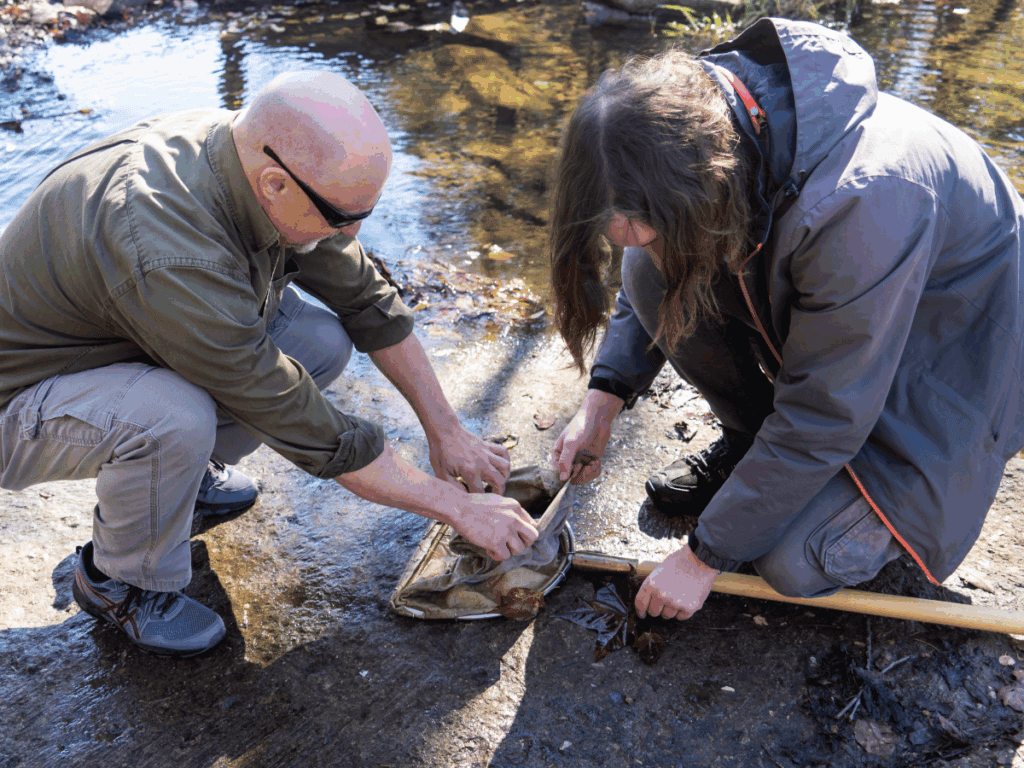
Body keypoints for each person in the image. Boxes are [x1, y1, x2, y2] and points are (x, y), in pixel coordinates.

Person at [0, 71, 538, 657]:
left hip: (124, 338)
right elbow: (292, 412)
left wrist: (447, 430)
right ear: (276, 184)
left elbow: (366, 301)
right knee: (171, 418)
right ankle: (117, 581)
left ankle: (180, 484)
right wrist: (456, 506)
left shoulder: (257, 158)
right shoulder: (167, 246)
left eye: (364, 211)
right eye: (341, 216)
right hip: (22, 398)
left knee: (318, 341)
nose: (352, 231)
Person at [548, 19, 1024, 623]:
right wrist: (602, 401)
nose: (652, 250)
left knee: (793, 561)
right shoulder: (697, 127)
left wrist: (703, 556)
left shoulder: (862, 202)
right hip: (863, 322)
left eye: (655, 231)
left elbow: (825, 413)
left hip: (957, 357)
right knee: (645, 274)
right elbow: (654, 266)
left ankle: (871, 506)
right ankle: (754, 451)